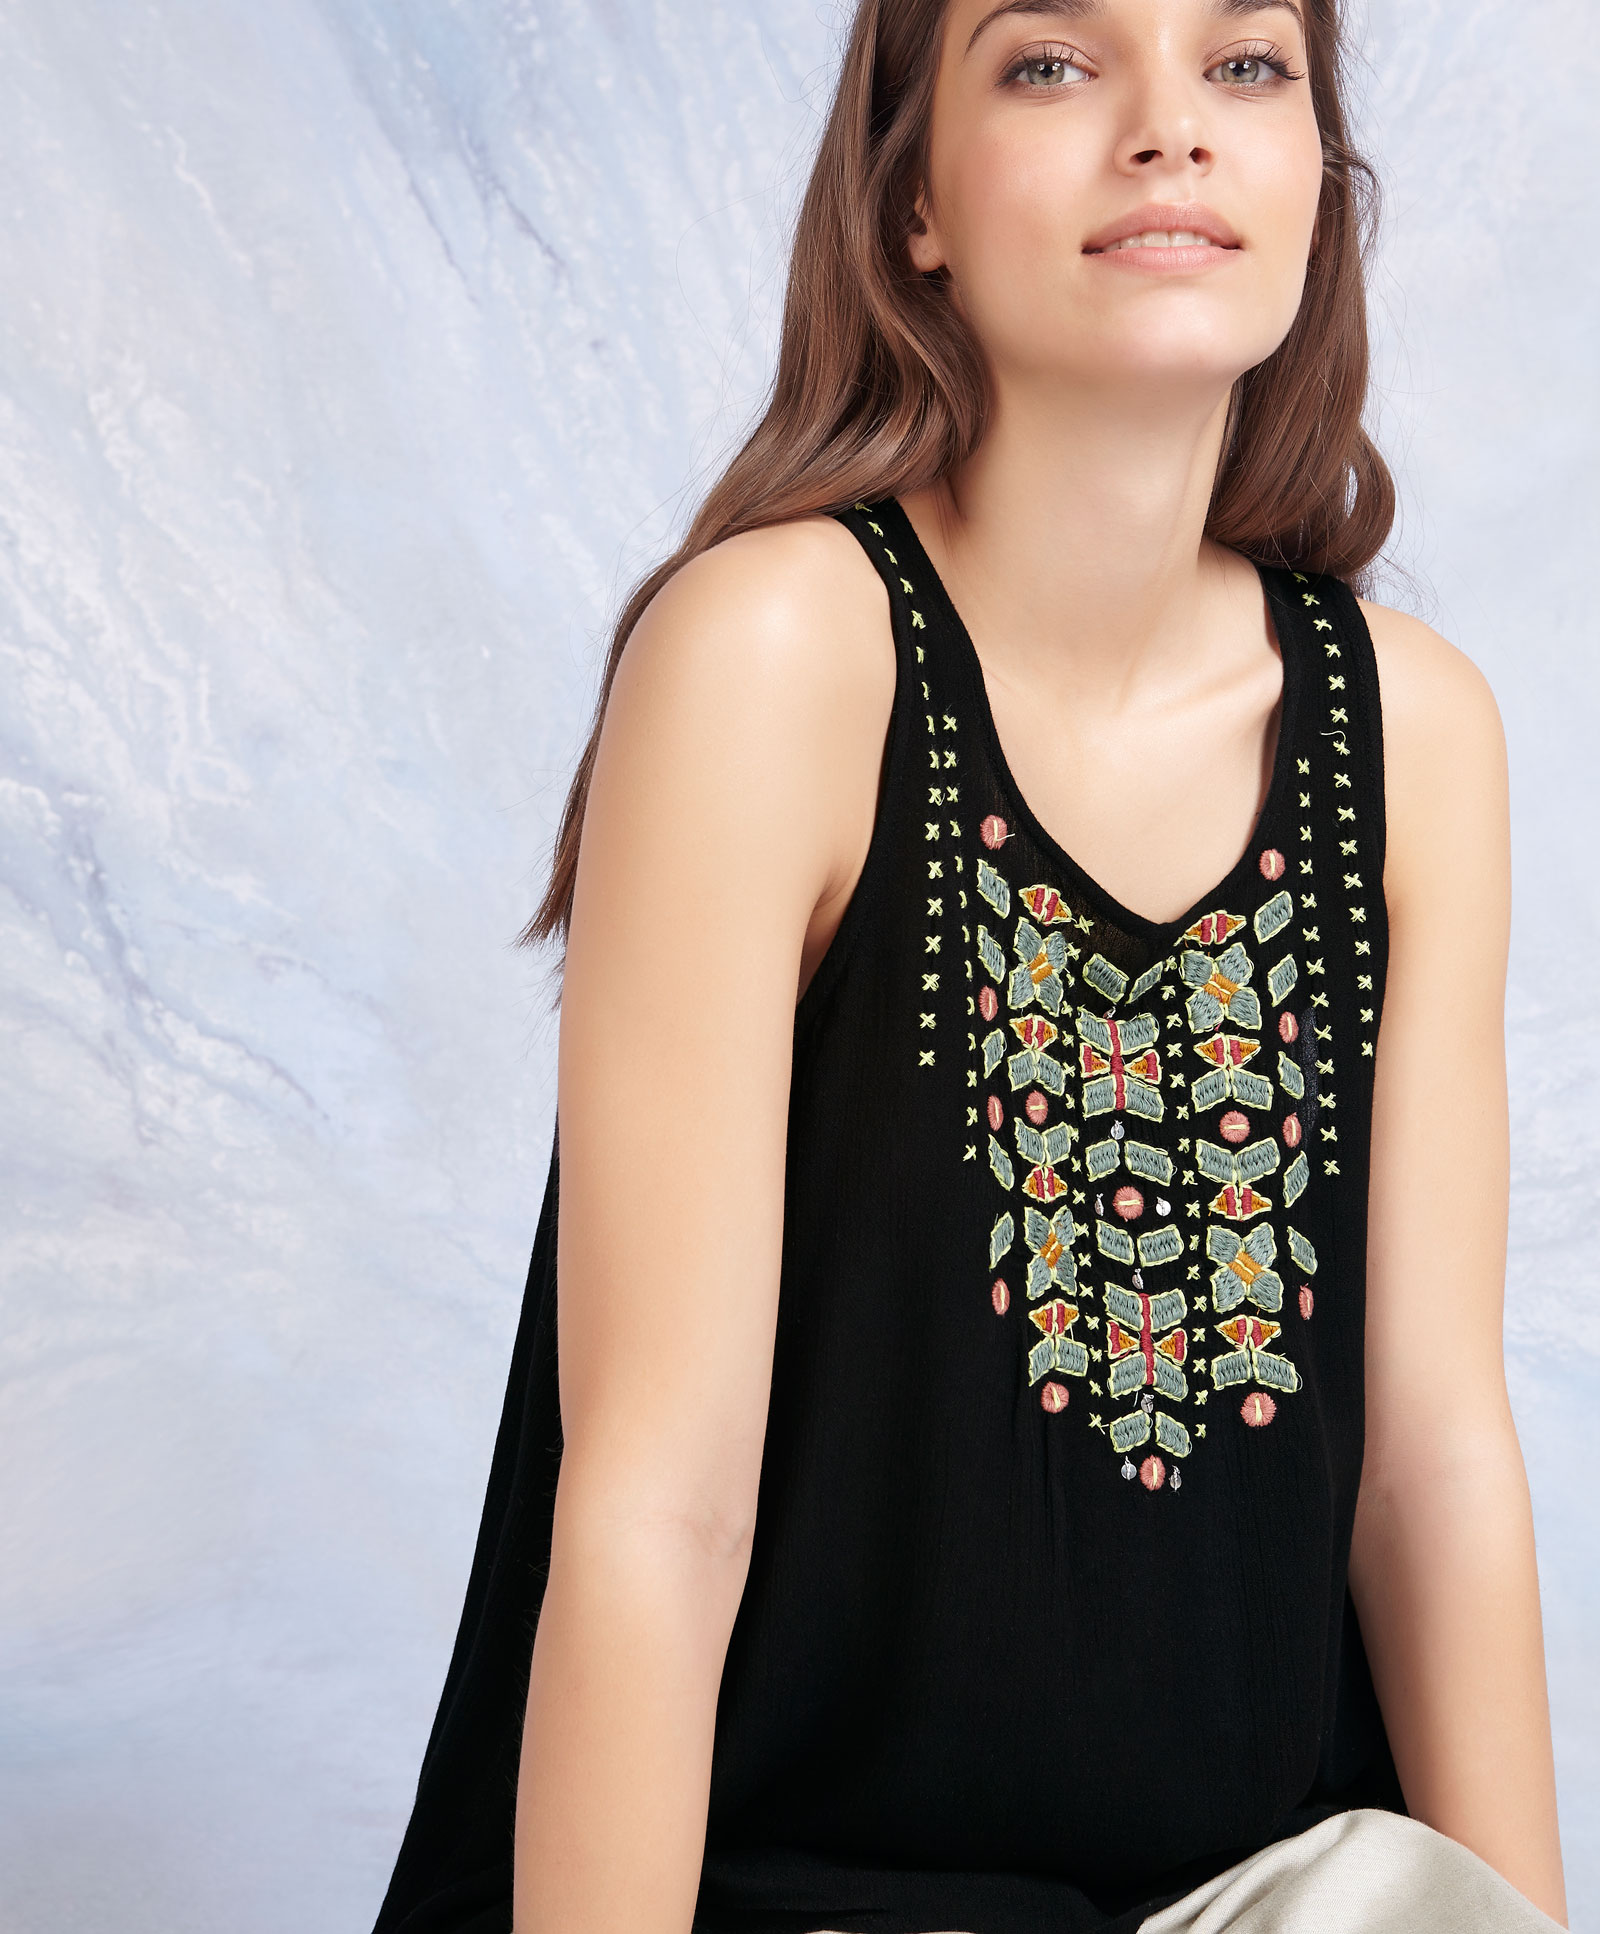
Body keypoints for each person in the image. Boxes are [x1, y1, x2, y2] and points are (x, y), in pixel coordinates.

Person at [370, 1, 1570, 1929]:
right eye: (1052, 63)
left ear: (1318, 180)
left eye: (1246, 65)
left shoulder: (1414, 732)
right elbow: (657, 1508)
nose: (1170, 128)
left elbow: (1429, 1466)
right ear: (911, 200)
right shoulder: (773, 659)